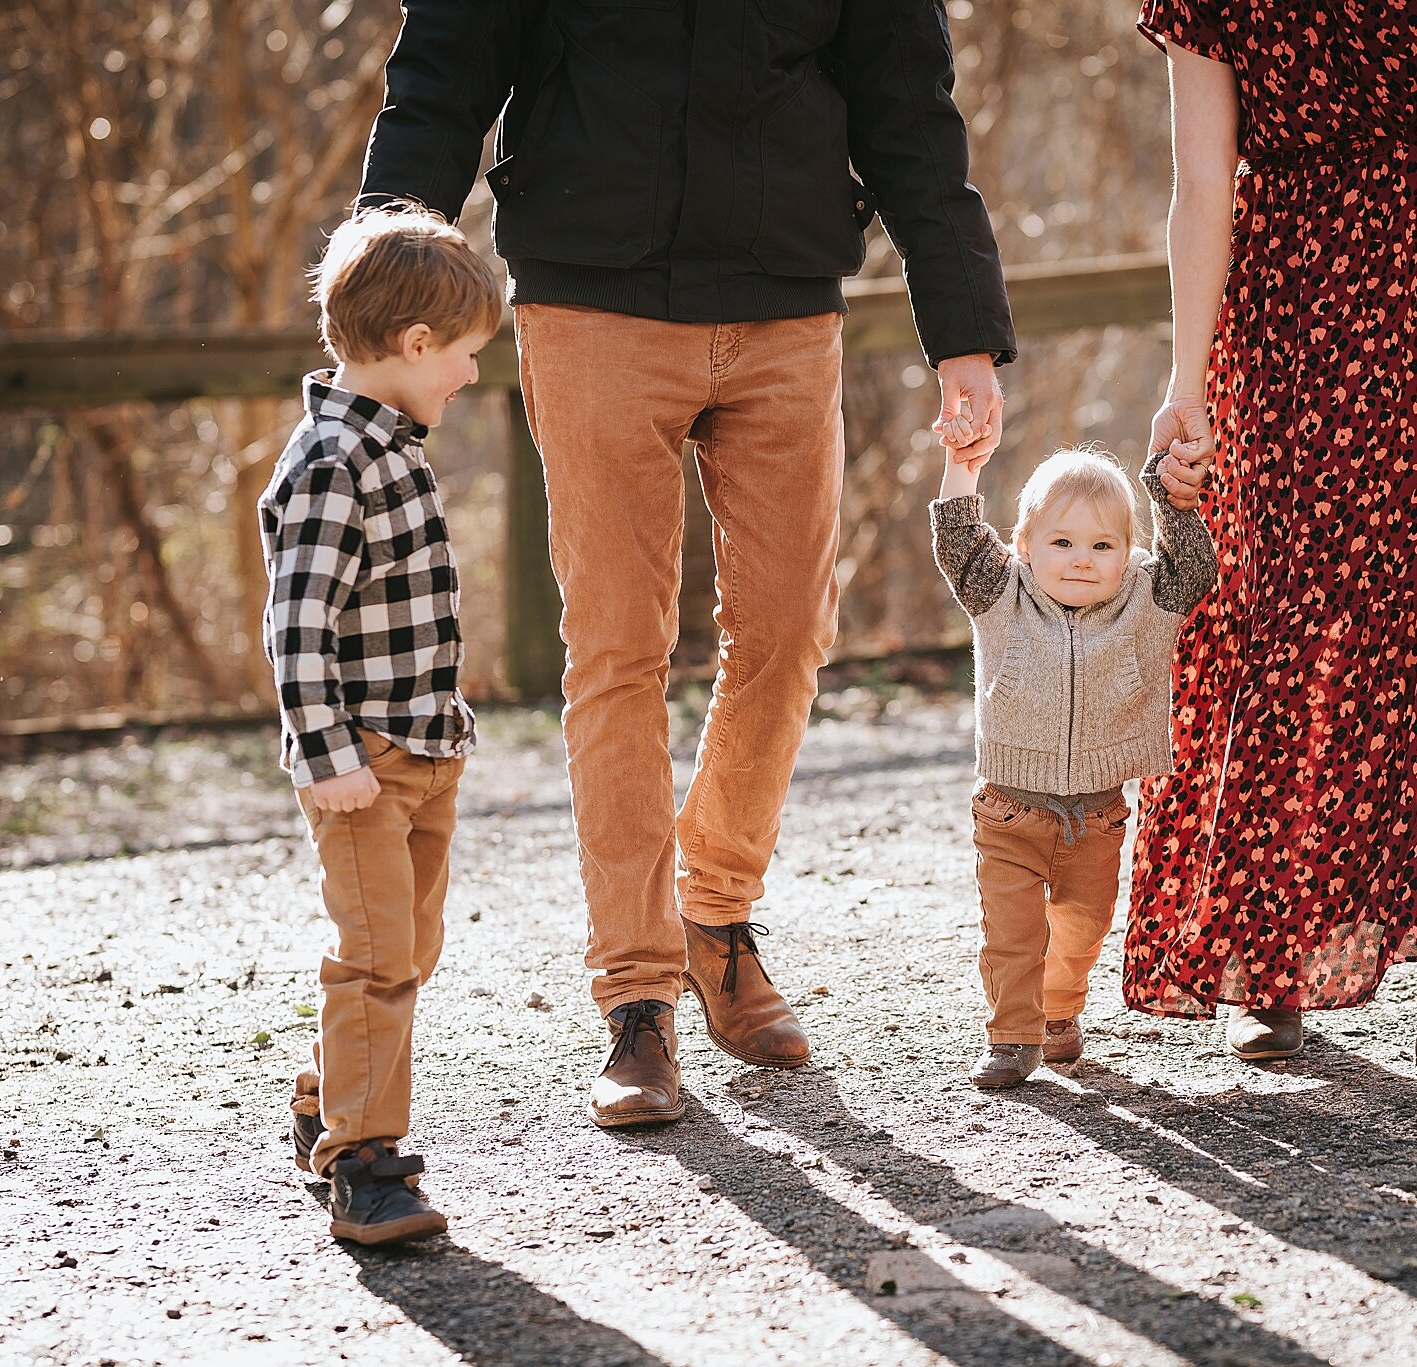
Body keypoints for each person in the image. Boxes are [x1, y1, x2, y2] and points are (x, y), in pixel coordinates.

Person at [356, 2, 1016, 1127]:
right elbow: (442, 80)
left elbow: (907, 107)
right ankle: (638, 999)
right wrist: (377, 302)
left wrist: (962, 332)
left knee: (789, 631)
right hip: (587, 299)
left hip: (785, 308)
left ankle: (711, 912)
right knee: (617, 649)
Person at [1128, 0, 1417, 1067]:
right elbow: (1198, 183)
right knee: (1279, 606)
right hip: (1286, 294)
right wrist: (1184, 387)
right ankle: (1261, 958)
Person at [263, 205, 501, 1244]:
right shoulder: (329, 463)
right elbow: (296, 624)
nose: (469, 376)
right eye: (462, 356)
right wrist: (326, 758)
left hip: (424, 748)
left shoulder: (392, 444)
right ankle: (365, 1161)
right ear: (412, 346)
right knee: (376, 956)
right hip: (360, 761)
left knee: (412, 944)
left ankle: (328, 1089)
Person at [931, 437, 1215, 1088]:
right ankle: (1011, 1036)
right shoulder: (1001, 591)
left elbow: (1196, 564)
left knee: (1082, 933)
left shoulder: (1147, 600)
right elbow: (956, 541)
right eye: (1061, 543)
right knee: (1013, 935)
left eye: (1102, 546)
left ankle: (1058, 1013)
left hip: (1096, 815)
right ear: (1025, 545)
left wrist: (1169, 495)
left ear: (1129, 554)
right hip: (1008, 809)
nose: (1081, 560)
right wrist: (961, 467)